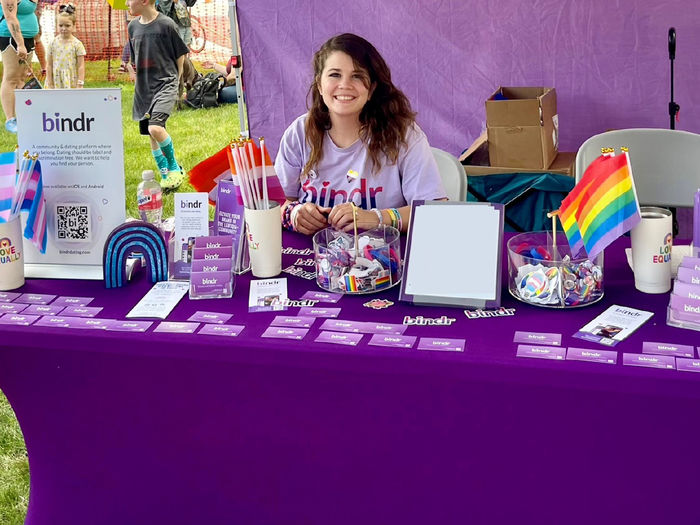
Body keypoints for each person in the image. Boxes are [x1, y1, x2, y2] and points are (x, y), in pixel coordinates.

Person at [274, 33, 446, 235]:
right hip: (313, 257)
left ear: (371, 88)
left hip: (383, 259)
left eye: (357, 76)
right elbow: (273, 205)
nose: (345, 85)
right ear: (319, 85)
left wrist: (377, 218)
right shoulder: (299, 133)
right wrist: (294, 214)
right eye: (335, 75)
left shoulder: (404, 135)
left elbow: (435, 211)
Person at [126, 0, 189, 190]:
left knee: (156, 128)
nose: (127, 2)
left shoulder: (166, 25)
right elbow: (135, 57)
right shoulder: (133, 26)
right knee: (150, 133)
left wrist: (177, 80)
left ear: (145, 1)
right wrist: (132, 70)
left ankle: (174, 167)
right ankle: (164, 173)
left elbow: (180, 54)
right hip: (144, 88)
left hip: (166, 83)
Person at [0, 0, 39, 134]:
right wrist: (20, 44)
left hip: (28, 38)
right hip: (12, 37)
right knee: (11, 78)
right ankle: (10, 119)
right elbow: (10, 17)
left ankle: (23, 115)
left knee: (22, 78)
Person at [45, 3, 85, 89]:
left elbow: (81, 65)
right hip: (55, 80)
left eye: (67, 25)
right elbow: (49, 64)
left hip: (71, 80)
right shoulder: (52, 43)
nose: (63, 28)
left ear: (74, 26)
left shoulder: (77, 44)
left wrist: (80, 83)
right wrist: (50, 82)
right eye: (60, 25)